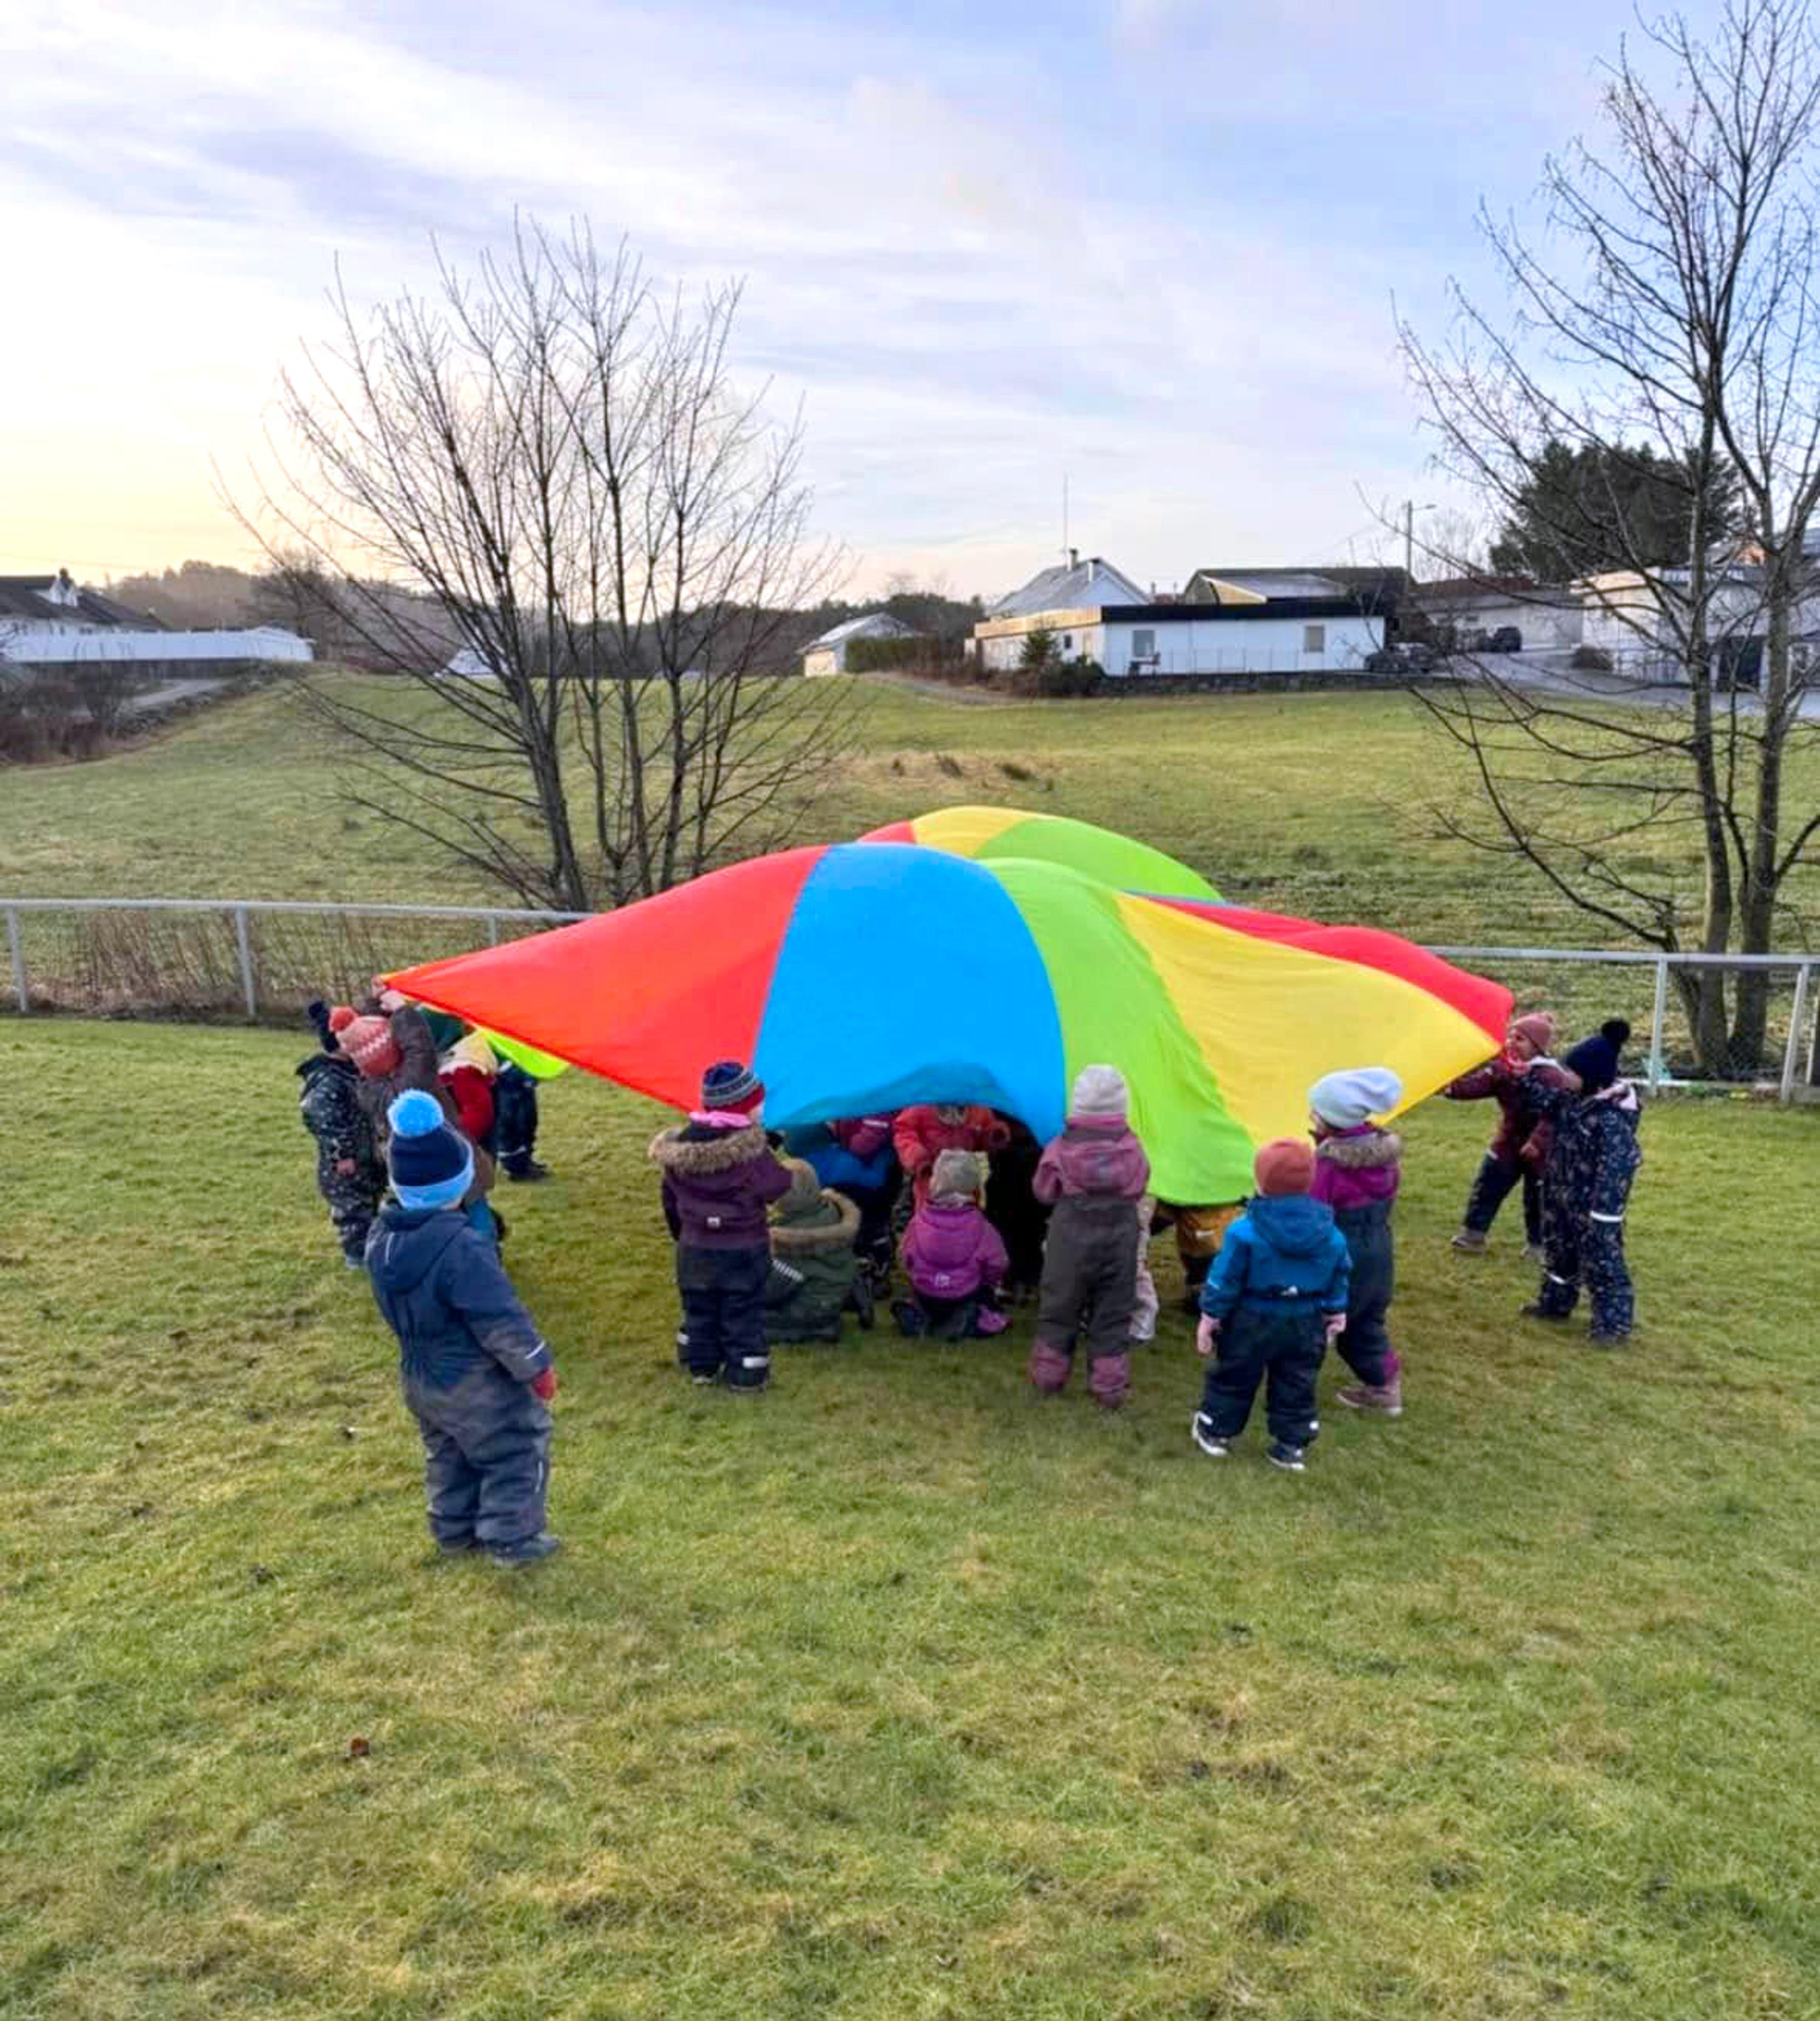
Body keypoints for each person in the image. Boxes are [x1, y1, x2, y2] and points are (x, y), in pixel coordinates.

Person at [365, 1089, 561, 1567]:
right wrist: (536, 1366)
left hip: (421, 1377)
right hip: (474, 1379)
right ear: (456, 1185)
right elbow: (499, 1316)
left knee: (448, 1453)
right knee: (515, 1448)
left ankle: (453, 1530)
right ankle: (512, 1538)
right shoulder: (463, 1248)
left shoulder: (380, 1239)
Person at [1192, 1137, 1350, 1473]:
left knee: (1235, 1373)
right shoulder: (1330, 1233)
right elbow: (1340, 1272)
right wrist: (1336, 1310)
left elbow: (1225, 1277)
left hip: (1252, 1317)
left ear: (1259, 1182)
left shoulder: (1243, 1231)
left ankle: (1216, 1430)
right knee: (1297, 1380)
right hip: (1305, 1320)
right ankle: (1292, 1445)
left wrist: (1211, 1314)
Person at [651, 1060, 792, 1390]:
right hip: (744, 1248)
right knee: (742, 1310)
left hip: (695, 1247)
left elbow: (669, 1198)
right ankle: (746, 1373)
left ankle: (701, 1367)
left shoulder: (682, 1148)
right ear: (744, 1106)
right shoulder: (753, 1152)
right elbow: (777, 1185)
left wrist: (683, 1234)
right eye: (758, 1102)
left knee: (699, 1308)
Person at [1026, 1065, 1150, 1410]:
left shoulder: (1060, 1149)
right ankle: (1109, 1387)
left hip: (1071, 1238)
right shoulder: (1133, 1147)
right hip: (1119, 1237)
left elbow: (1043, 1190)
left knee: (1059, 1307)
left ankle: (1049, 1375)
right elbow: (1140, 1184)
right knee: (1112, 1313)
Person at [1522, 1019, 1642, 1345]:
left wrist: (1605, 1213)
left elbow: (1621, 1165)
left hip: (1595, 1208)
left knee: (1602, 1261)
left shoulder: (1611, 1119)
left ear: (1591, 1077)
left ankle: (1613, 1325)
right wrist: (1520, 1076)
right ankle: (1556, 1303)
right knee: (1559, 1251)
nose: (1564, 1077)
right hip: (1561, 1193)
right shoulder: (1569, 1099)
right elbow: (1541, 1101)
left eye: (1571, 1072)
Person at [1309, 1066, 1406, 1417]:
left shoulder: (1330, 1166)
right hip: (1379, 1248)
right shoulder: (1385, 1158)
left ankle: (1296, 1382)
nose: (1311, 1115)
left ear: (1332, 1119)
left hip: (1340, 1250)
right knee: (1366, 1320)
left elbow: (1315, 1212)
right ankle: (1385, 1385)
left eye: (1315, 1111)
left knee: (1318, 1317)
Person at [1444, 1012, 1572, 1258]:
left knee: (1538, 1198)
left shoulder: (1552, 1076)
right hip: (1508, 1142)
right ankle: (1473, 1235)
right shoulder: (1502, 1070)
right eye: (1510, 1037)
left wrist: (1538, 1141)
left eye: (1520, 1039)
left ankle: (1539, 1245)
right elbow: (1476, 1085)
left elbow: (1555, 1113)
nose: (1512, 1043)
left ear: (1538, 1048)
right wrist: (1449, 1088)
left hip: (1541, 1150)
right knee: (1488, 1185)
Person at [299, 1001, 384, 1267]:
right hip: (344, 1162)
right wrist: (342, 1154)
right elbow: (325, 1122)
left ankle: (373, 1247)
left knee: (371, 1198)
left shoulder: (353, 1072)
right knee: (351, 1207)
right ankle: (358, 1255)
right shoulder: (327, 1081)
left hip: (366, 1150)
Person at [895, 1150, 1010, 1338]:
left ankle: (920, 1317)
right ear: (973, 1185)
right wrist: (988, 1282)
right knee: (984, 1303)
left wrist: (919, 1275)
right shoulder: (982, 1226)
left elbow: (906, 1256)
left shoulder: (918, 1221)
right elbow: (998, 1263)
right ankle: (964, 1318)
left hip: (926, 1292)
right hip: (964, 1293)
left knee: (922, 1301)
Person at [783, 1116, 899, 1289]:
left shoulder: (802, 1170)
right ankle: (875, 1271)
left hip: (835, 1211)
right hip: (867, 1200)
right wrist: (884, 1157)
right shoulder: (845, 1160)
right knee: (871, 1231)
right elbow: (874, 1180)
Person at [766, 1158, 868, 1344]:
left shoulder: (792, 1242)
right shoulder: (830, 1211)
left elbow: (771, 1294)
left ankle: (820, 1330)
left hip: (812, 1307)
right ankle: (853, 1294)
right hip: (833, 1290)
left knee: (748, 1321)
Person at [893, 1102, 1012, 1211]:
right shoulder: (922, 1103)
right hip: (931, 1178)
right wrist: (919, 1159)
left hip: (965, 1179)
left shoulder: (978, 1107)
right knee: (929, 1216)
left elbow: (986, 1128)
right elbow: (904, 1131)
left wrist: (994, 1134)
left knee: (967, 1214)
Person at [985, 1117, 1051, 1304]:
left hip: (1020, 1156)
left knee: (1018, 1226)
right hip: (1021, 1154)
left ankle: (1017, 1281)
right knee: (1029, 1226)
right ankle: (1022, 1281)